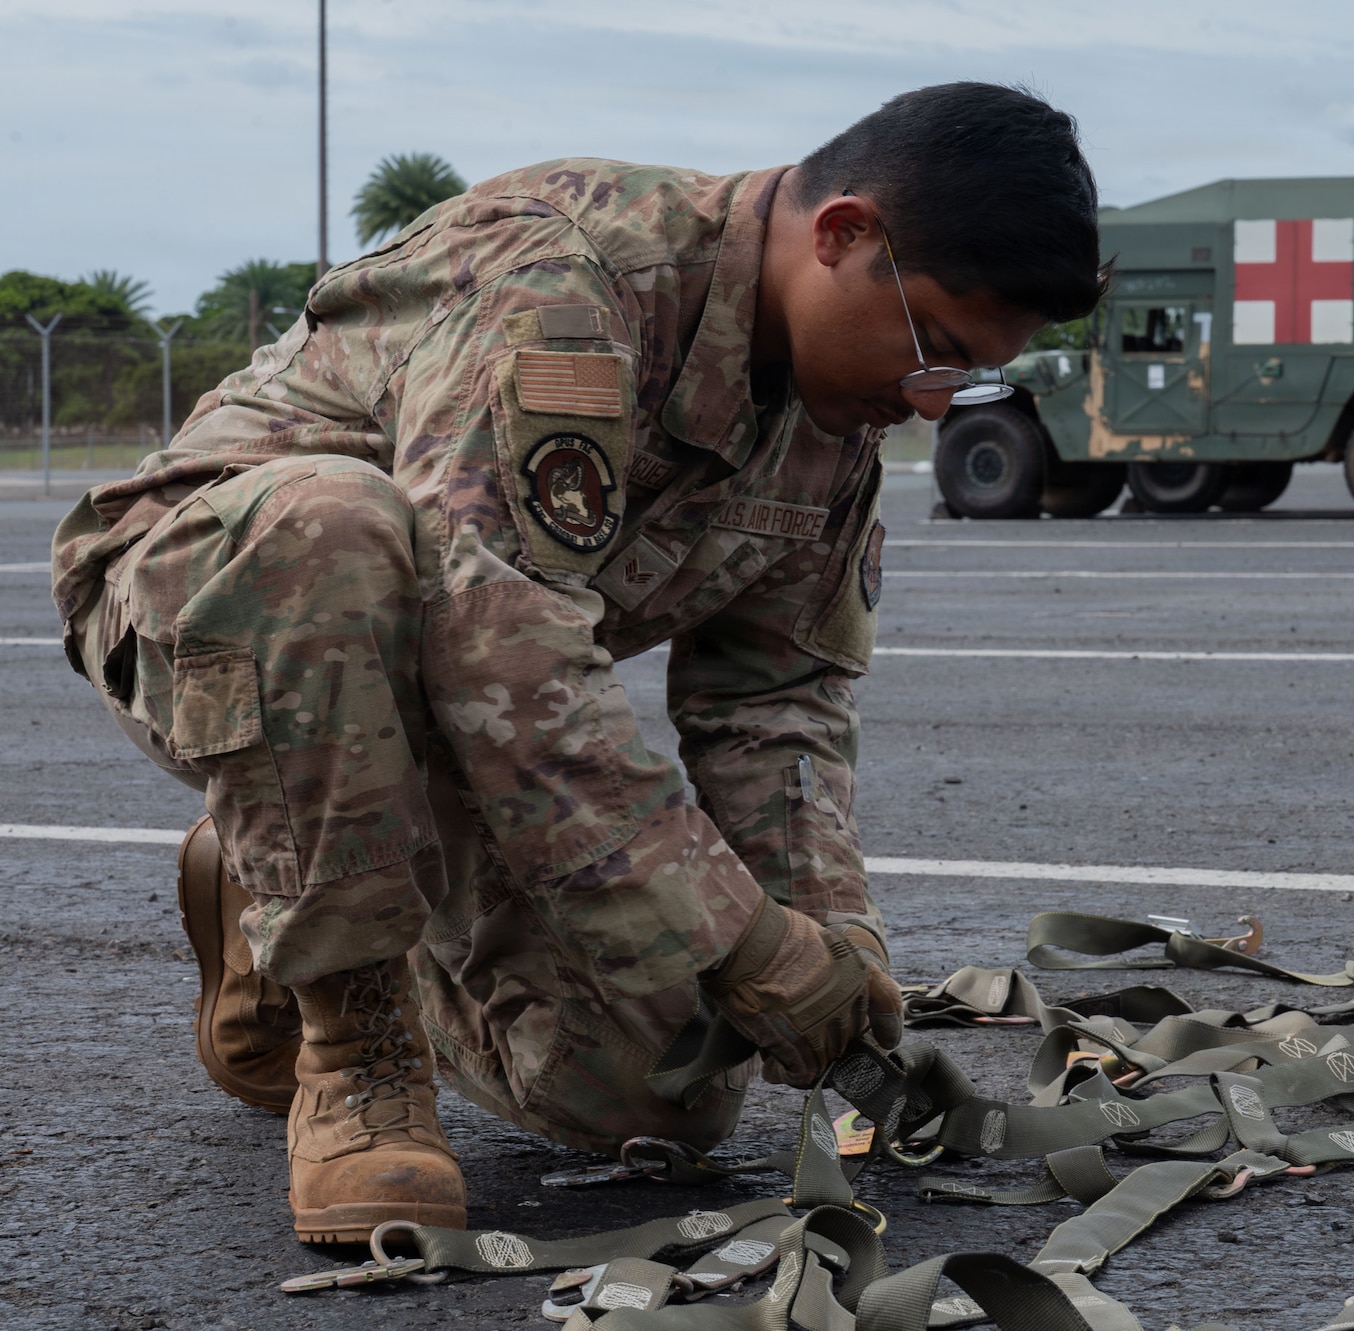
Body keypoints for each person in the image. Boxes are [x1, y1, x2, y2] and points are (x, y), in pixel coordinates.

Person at [50, 82, 1105, 1244]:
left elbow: (778, 702)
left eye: (968, 379)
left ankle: (270, 881)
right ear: (841, 232)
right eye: (934, 351)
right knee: (335, 524)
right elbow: (493, 639)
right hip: (208, 608)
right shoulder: (569, 279)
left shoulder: (834, 411)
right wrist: (742, 940)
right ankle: (354, 1044)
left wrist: (825, 938)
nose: (929, 402)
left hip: (456, 704)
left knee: (667, 1088)